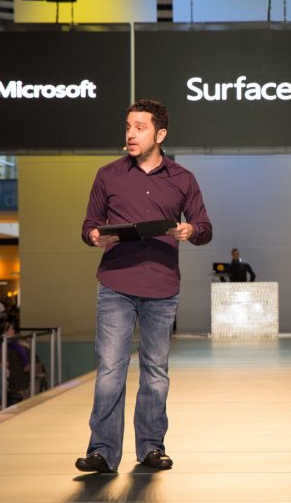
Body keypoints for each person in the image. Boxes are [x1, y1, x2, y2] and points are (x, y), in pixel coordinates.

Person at [76, 99, 212, 474]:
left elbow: (204, 227)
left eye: (140, 128)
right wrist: (94, 236)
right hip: (115, 283)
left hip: (162, 285)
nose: (131, 134)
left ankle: (151, 447)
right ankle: (102, 452)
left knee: (155, 372)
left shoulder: (183, 178)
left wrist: (190, 230)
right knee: (110, 369)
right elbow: (89, 225)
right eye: (128, 127)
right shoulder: (108, 175)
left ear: (160, 134)